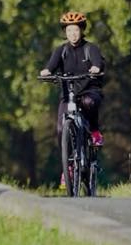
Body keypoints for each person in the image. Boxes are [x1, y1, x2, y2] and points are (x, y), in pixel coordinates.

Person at [40, 11, 106, 151]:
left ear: (82, 30)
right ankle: (68, 166)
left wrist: (95, 67)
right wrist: (47, 71)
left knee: (89, 102)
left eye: (75, 29)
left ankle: (94, 132)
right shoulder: (61, 50)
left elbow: (97, 61)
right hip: (68, 94)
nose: (73, 33)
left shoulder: (91, 48)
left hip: (89, 90)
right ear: (65, 32)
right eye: (69, 30)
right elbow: (51, 65)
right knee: (60, 129)